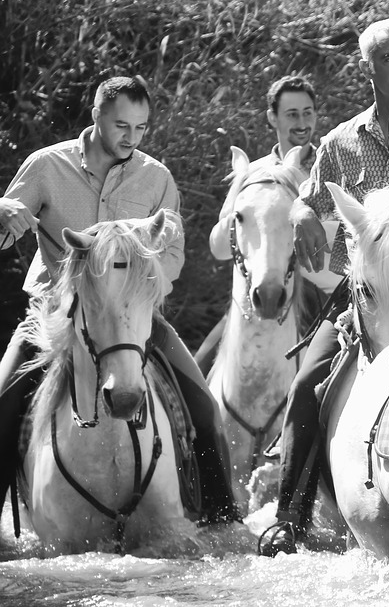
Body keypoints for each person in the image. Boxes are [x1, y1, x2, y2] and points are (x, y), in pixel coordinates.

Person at [0, 75, 241, 525]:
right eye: (121, 126)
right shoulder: (46, 166)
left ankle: (223, 522)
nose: (131, 137)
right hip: (52, 313)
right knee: (1, 401)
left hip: (135, 316)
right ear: (95, 117)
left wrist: (136, 283)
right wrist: (2, 212)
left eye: (141, 128)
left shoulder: (157, 179)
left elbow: (171, 256)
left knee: (204, 407)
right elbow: (5, 231)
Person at [257, 19, 389, 556]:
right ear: (368, 67)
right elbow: (310, 197)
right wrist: (304, 212)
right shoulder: (340, 142)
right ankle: (290, 517)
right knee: (307, 383)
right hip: (363, 298)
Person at [198, 75, 320, 371]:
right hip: (256, 291)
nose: (302, 123)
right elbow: (220, 249)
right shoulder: (252, 174)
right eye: (292, 114)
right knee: (199, 365)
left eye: (308, 113)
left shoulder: (329, 165)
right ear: (272, 118)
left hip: (319, 297)